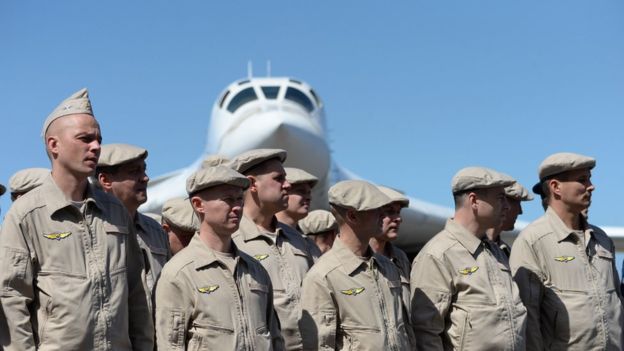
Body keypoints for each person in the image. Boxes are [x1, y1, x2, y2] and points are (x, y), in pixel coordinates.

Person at [0, 88, 153, 350]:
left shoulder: (115, 212)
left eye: (98, 139)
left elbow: (136, 293)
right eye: (85, 139)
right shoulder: (27, 215)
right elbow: (12, 299)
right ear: (53, 145)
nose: (96, 147)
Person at [155, 165, 284, 350]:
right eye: (228, 200)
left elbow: (275, 337)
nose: (237, 207)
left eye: (240, 199)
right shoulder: (180, 273)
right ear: (199, 205)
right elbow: (170, 345)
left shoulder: (255, 270)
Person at [510, 152, 623, 350]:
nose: (591, 186)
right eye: (582, 180)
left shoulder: (602, 239)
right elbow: (527, 320)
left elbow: (617, 302)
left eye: (589, 178)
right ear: (555, 187)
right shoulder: (532, 241)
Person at [410, 167, 526, 350]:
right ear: (474, 201)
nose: (507, 206)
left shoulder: (496, 252)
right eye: (500, 198)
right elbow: (425, 332)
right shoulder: (439, 254)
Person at [300, 180, 411, 350]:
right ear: (352, 216)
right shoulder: (323, 276)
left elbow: (404, 331)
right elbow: (320, 345)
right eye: (376, 210)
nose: (383, 215)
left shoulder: (387, 267)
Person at [229, 149, 319, 350]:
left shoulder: (299, 240)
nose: (287, 185)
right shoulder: (232, 241)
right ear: (253, 184)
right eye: (279, 178)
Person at [96, 143, 171, 304]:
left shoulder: (156, 232)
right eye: (134, 172)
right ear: (106, 180)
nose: (145, 178)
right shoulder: (92, 230)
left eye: (144, 170)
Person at [275, 167, 322, 257]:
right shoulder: (268, 237)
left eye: (309, 192)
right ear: (283, 192)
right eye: (301, 191)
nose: (309, 197)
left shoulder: (309, 244)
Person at [485, 177, 533, 257]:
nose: (520, 212)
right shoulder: (467, 244)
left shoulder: (507, 253)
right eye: (517, 204)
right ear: (502, 203)